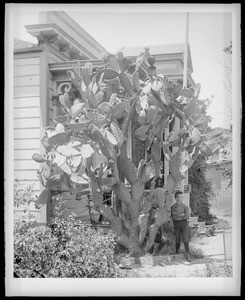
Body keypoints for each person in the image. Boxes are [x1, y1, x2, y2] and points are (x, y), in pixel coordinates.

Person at [170, 191, 191, 262]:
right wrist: (181, 215)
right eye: (180, 197)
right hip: (176, 224)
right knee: (177, 237)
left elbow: (187, 216)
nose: (182, 199)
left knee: (185, 237)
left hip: (184, 224)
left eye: (183, 197)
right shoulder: (173, 207)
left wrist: (180, 216)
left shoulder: (185, 207)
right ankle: (177, 252)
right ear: (176, 198)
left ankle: (188, 253)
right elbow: (174, 217)